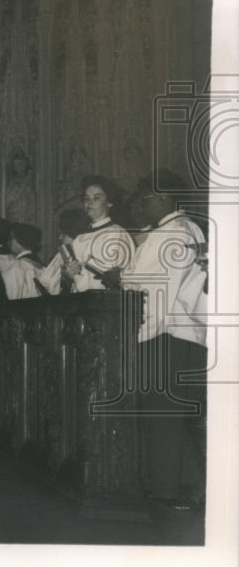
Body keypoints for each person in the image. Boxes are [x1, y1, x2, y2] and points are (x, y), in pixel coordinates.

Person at [121, 170, 208, 510]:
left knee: (162, 415)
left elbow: (157, 292)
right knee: (172, 414)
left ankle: (168, 491)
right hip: (184, 332)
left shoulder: (170, 233)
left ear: (163, 198)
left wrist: (138, 335)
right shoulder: (188, 229)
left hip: (165, 333)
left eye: (145, 199)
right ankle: (184, 484)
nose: (141, 206)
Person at [39, 175, 133, 294]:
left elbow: (110, 279)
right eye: (86, 198)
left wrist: (77, 275)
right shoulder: (80, 237)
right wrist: (66, 274)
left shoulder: (116, 234)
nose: (89, 203)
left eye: (97, 198)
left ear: (109, 203)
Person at [2, 222, 44, 300]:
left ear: (21, 240)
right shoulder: (44, 267)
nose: (9, 242)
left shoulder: (15, 269)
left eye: (12, 238)